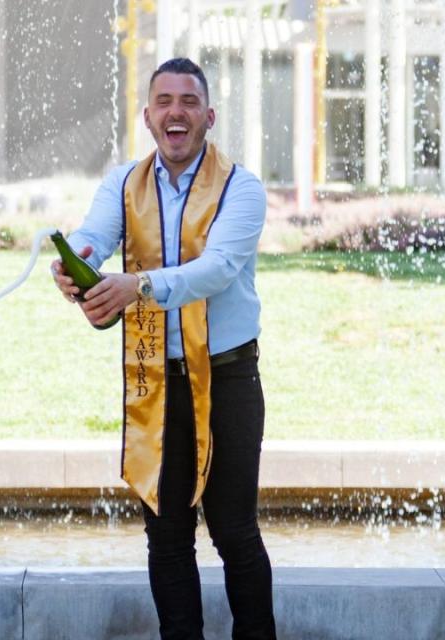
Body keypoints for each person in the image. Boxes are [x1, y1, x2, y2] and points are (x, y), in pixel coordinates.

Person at [51, 58, 276, 640]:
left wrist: (139, 286)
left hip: (226, 380)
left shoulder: (240, 188)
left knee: (233, 532)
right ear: (148, 116)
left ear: (209, 116)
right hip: (157, 377)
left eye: (189, 101)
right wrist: (75, 262)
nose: (176, 112)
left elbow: (217, 270)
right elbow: (94, 235)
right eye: (164, 101)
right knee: (167, 534)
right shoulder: (124, 183)